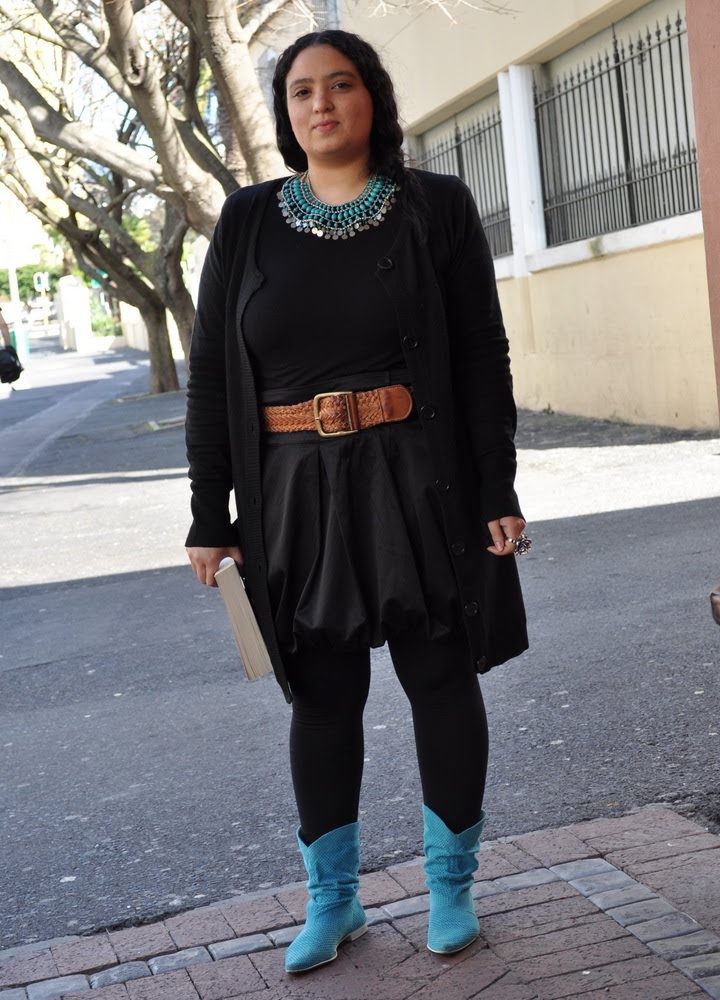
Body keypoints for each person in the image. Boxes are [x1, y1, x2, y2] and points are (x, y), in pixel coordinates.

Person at [185, 29, 529, 975]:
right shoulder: (246, 220)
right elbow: (212, 373)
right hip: (293, 492)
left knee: (440, 678)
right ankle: (332, 901)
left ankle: (451, 886)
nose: (321, 103)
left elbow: (481, 354)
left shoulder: (436, 207)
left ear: (372, 97)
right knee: (323, 698)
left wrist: (495, 485)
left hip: (419, 477)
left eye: (340, 84)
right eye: (301, 90)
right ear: (285, 113)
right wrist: (210, 514)